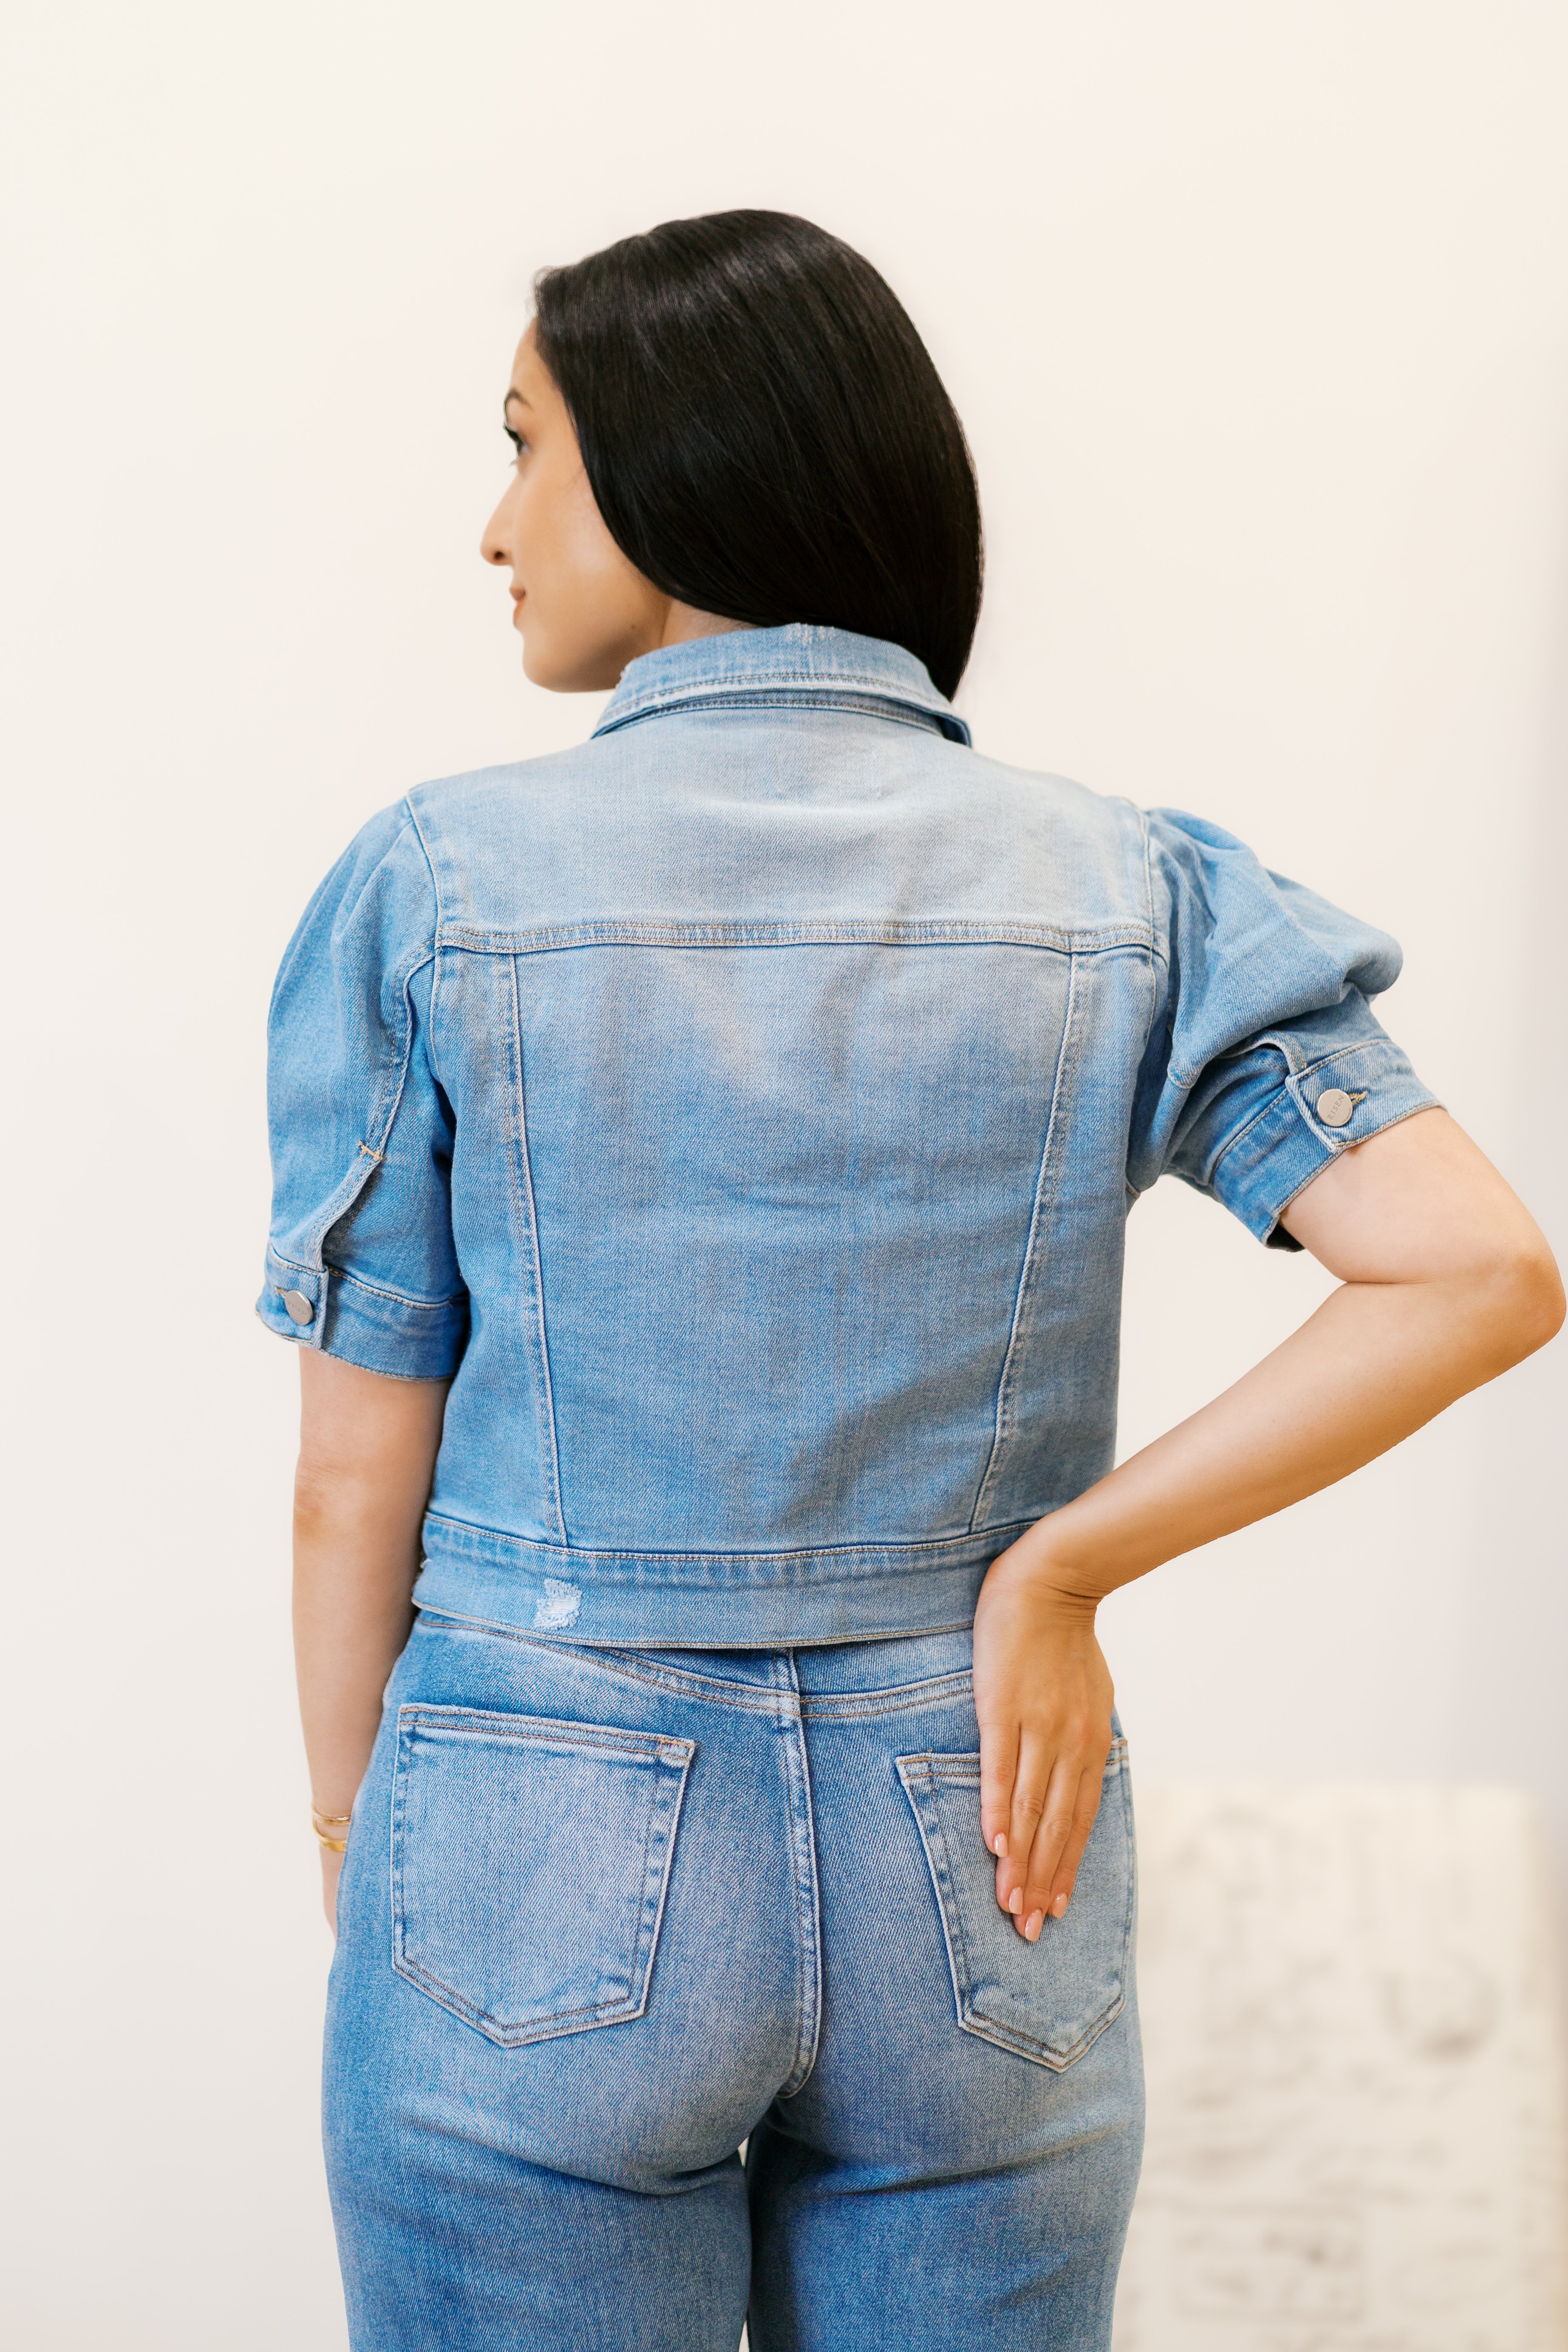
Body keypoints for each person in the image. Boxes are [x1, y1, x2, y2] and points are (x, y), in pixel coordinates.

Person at [260, 211, 1562, 2352]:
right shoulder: (1127, 884)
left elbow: (347, 1479)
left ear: (671, 463)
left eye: (522, 445)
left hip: (528, 1820)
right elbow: (1474, 1270)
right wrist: (1054, 1571)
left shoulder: (441, 880)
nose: (493, 525)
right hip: (973, 1839)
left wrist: (349, 1822)